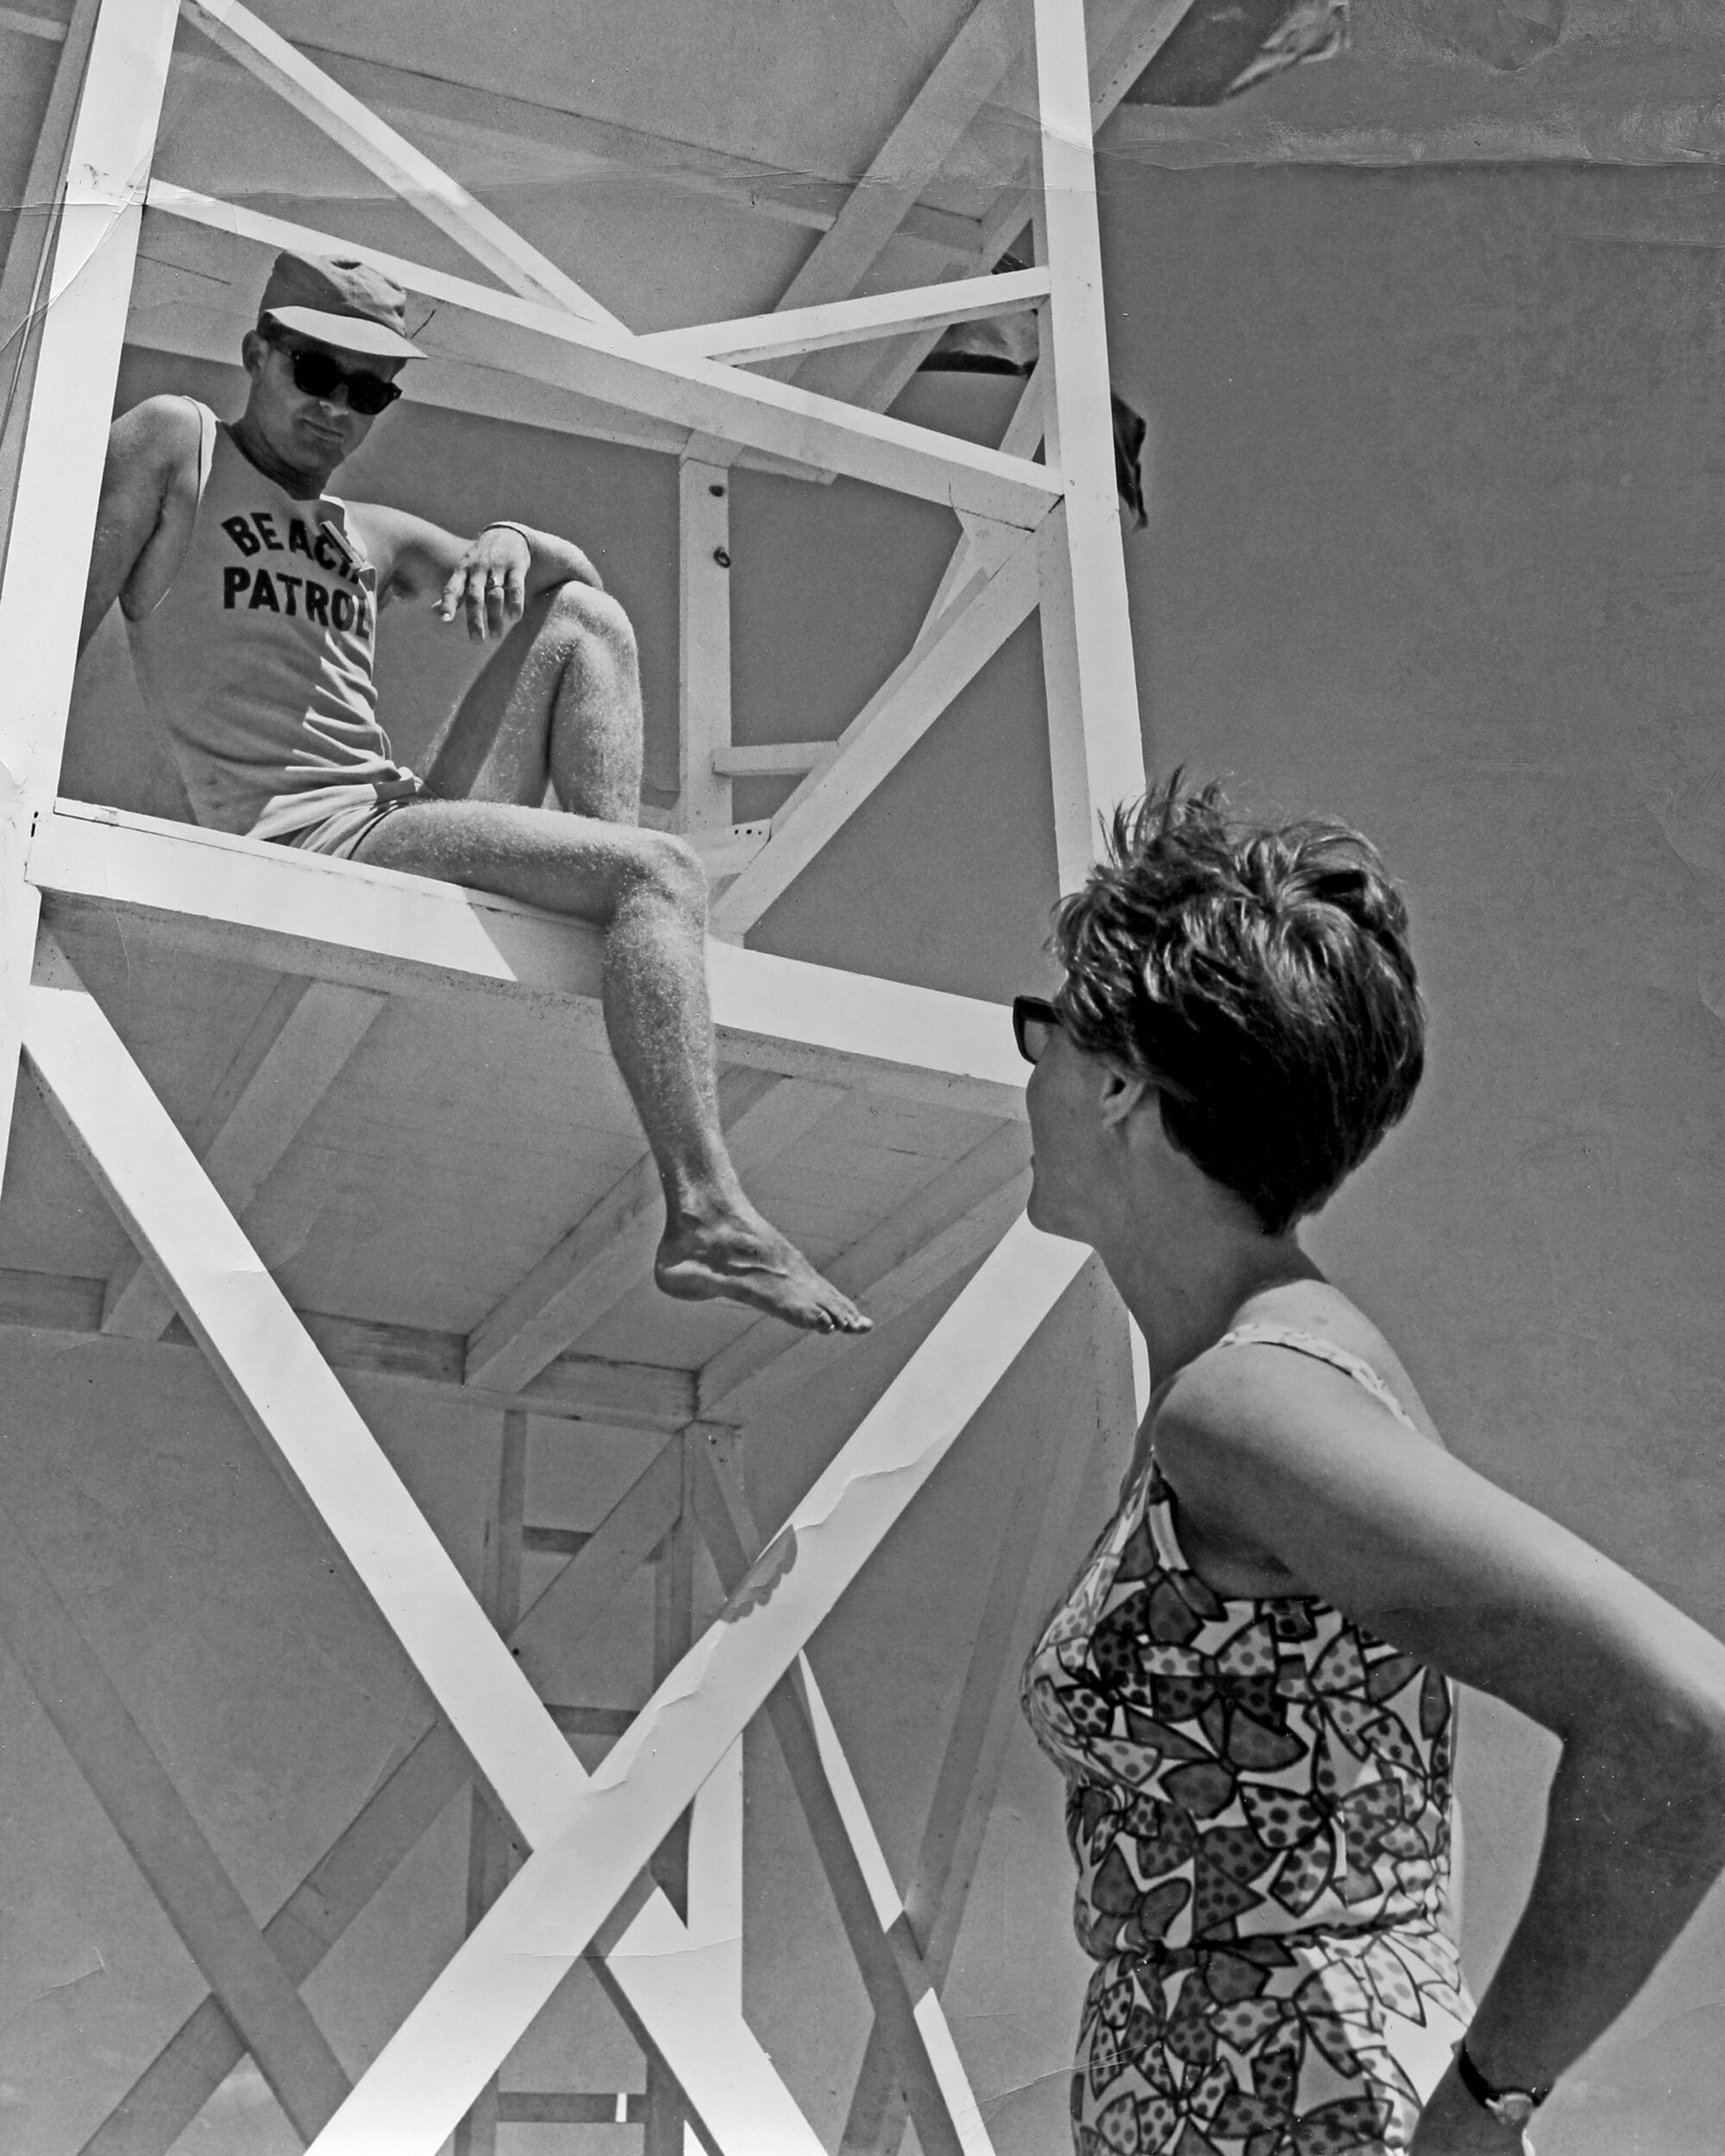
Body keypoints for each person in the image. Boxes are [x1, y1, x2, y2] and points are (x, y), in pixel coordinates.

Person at [1017, 776, 1725, 2153]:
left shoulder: (1251, 1403)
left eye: (1042, 1031)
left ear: (1115, 1082)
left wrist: (1484, 2111)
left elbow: (1684, 1727)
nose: (1026, 1072)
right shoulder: (1264, 1384)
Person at [79, 248, 868, 1338]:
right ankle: (706, 1211)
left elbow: (567, 582)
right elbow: (52, 607)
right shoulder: (181, 444)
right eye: (315, 370)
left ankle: (610, 910)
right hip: (309, 841)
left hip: (395, 816)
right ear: (257, 352)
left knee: (589, 621)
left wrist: (513, 537)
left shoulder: (368, 534)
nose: (337, 407)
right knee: (661, 871)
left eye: (368, 391)